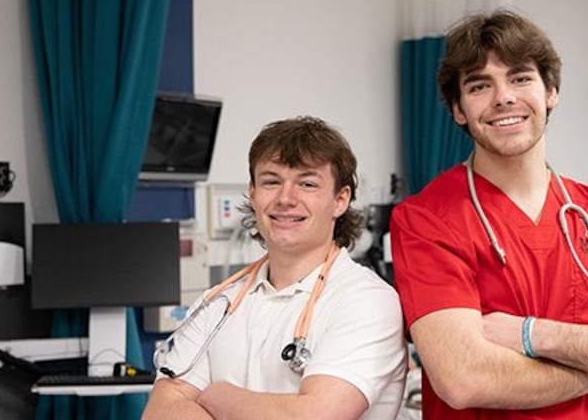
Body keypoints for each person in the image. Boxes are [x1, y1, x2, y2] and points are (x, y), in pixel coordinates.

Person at [389, 9, 588, 419]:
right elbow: (465, 379)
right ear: (458, 110)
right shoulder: (427, 220)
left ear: (551, 92)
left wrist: (531, 335)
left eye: (520, 77)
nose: (504, 97)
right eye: (480, 85)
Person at [143, 116, 407, 420]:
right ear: (253, 194)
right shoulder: (216, 303)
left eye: (307, 184)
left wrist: (220, 397)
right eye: (271, 181)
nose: (285, 199)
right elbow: (161, 411)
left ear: (340, 200)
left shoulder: (367, 301)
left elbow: (315, 417)